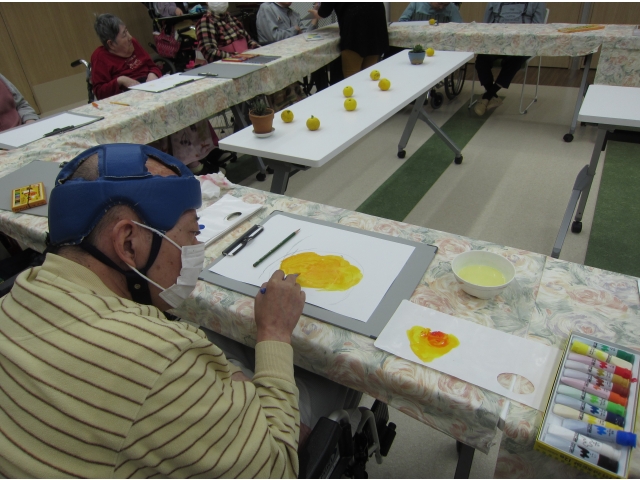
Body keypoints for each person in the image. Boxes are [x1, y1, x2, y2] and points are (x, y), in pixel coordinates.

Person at [0, 143, 351, 476]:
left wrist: (215, 381)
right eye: (192, 232)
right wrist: (274, 332)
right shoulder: (158, 360)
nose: (197, 246)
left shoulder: (17, 296)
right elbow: (274, 470)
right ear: (128, 243)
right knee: (332, 374)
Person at [91, 14, 225, 175]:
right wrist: (121, 80)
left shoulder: (133, 44)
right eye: (124, 34)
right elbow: (99, 91)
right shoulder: (100, 57)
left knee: (188, 99)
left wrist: (153, 74)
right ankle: (192, 163)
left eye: (127, 31)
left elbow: (152, 65)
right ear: (111, 43)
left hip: (151, 86)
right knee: (169, 110)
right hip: (128, 99)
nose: (130, 37)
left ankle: (209, 149)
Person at [473, 2, 546, 116]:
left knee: (515, 60)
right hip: (497, 42)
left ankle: (487, 96)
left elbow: (538, 28)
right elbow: (486, 25)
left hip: (522, 43)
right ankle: (492, 96)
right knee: (482, 60)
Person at [318, 3, 389, 78]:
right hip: (376, 14)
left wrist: (318, 12)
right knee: (369, 75)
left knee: (352, 76)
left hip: (356, 20)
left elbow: (324, 11)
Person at [196, 2, 260, 62]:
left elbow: (248, 40)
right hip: (227, 65)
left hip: (247, 60)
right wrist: (237, 56)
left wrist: (259, 50)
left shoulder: (232, 19)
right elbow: (209, 53)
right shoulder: (206, 22)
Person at [399, 2, 463, 23]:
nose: (441, 7)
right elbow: (402, 21)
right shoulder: (416, 3)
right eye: (440, 3)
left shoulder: (452, 8)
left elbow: (459, 28)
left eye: (445, 5)